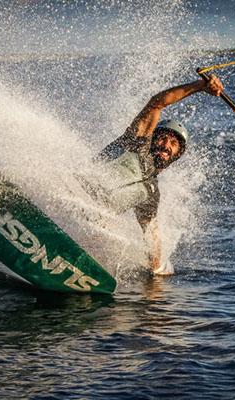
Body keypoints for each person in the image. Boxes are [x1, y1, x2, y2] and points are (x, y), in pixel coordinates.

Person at [85, 74, 224, 275]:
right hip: (72, 194)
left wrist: (157, 270)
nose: (166, 145)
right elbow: (156, 104)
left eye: (173, 143)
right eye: (163, 138)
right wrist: (198, 86)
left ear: (178, 154)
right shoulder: (136, 141)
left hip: (87, 222)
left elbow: (150, 234)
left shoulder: (151, 193)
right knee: (99, 222)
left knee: (105, 231)